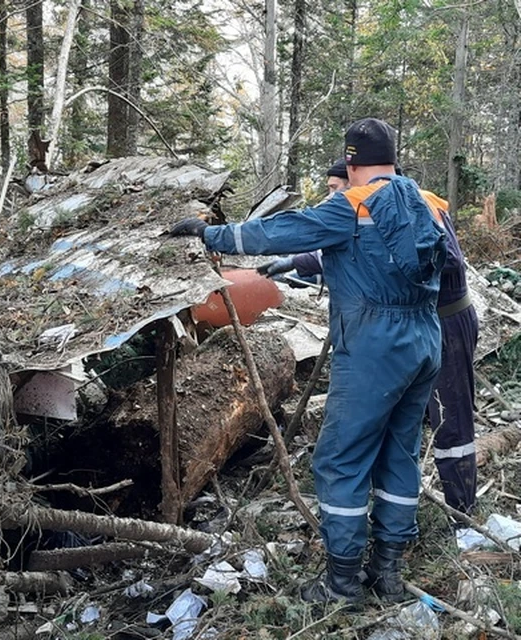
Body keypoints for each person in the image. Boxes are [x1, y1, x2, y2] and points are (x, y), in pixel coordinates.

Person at [169, 118, 448, 604]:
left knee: (341, 458)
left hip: (375, 347)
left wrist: (210, 235)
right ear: (394, 159)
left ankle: (341, 583)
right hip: (426, 339)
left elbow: (281, 231)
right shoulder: (430, 204)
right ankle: (388, 572)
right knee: (398, 453)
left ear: (352, 161)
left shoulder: (353, 204)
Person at [260, 177, 480, 517]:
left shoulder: (418, 203)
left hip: (445, 321)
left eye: (336, 186)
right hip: (412, 327)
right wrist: (294, 263)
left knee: (451, 420)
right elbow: (348, 246)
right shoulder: (362, 211)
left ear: (359, 181)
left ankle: (462, 513)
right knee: (402, 420)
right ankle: (392, 510)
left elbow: (446, 258)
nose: (332, 194)